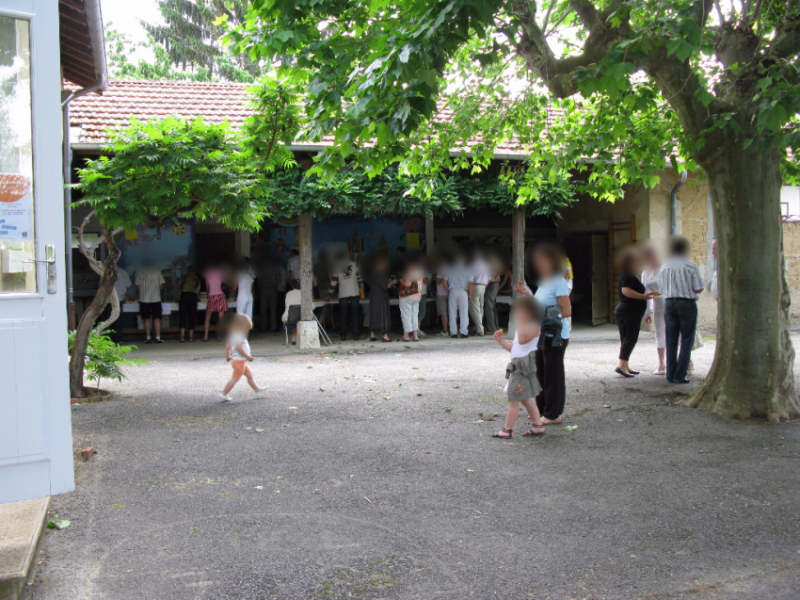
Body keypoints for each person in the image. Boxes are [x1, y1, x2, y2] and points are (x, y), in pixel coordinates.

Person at [515, 242, 571, 424]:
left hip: (556, 335)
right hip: (541, 334)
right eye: (537, 260)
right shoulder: (544, 282)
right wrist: (527, 295)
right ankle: (542, 410)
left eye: (542, 260)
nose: (538, 264)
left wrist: (545, 317)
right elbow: (541, 305)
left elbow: (567, 310)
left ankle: (554, 414)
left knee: (553, 373)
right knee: (541, 372)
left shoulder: (558, 281)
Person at [491, 296, 546, 439]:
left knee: (513, 399)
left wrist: (521, 323)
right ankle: (538, 425)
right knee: (525, 398)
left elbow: (522, 340)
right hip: (518, 365)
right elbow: (516, 348)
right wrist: (501, 341)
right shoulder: (523, 327)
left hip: (523, 368)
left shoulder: (534, 327)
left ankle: (507, 430)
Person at [658, 236, 705, 384]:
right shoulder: (691, 266)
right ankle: (680, 374)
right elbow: (699, 288)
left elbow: (661, 288)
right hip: (686, 303)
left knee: (671, 340)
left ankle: (670, 374)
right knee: (687, 340)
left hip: (669, 303)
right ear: (684, 249)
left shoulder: (664, 266)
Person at [614, 248, 654, 377]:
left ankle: (625, 365)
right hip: (629, 311)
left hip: (627, 311)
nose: (638, 263)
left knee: (626, 338)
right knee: (630, 338)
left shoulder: (629, 275)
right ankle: (622, 365)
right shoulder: (629, 275)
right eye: (636, 261)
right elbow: (626, 291)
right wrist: (644, 297)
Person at [219, 314, 266, 401]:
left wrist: (228, 356)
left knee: (249, 375)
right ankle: (224, 393)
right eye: (247, 328)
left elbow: (228, 346)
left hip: (238, 361)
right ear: (242, 327)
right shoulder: (240, 336)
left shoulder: (232, 335)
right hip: (240, 362)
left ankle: (257, 390)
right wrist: (248, 357)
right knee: (235, 379)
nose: (247, 331)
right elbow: (239, 348)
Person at [641, 244, 667, 374]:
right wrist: (647, 312)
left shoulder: (664, 267)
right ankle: (661, 363)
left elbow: (667, 290)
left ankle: (686, 361)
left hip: (669, 303)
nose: (649, 259)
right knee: (660, 333)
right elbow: (645, 290)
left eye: (650, 256)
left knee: (675, 332)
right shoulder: (646, 271)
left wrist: (652, 295)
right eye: (646, 257)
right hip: (657, 306)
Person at [332, 250, 363, 341]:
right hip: (354, 291)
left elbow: (333, 283)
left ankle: (343, 336)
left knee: (343, 314)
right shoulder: (354, 264)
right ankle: (356, 335)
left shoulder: (336, 267)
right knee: (355, 314)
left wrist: (329, 294)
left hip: (343, 293)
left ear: (338, 258)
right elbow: (359, 278)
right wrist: (361, 288)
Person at [135, 260, 165, 344]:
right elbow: (161, 286)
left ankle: (148, 338)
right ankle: (158, 337)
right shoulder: (157, 271)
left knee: (146, 319)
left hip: (144, 299)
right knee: (156, 319)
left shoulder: (140, 272)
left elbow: (137, 286)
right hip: (156, 299)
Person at [444, 253, 473, 338]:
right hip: (463, 291)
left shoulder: (450, 269)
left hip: (453, 291)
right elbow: (470, 283)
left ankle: (453, 332)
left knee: (452, 312)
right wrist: (470, 294)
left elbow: (444, 281)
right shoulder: (467, 270)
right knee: (464, 313)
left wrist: (448, 290)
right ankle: (464, 332)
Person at [368, 256, 396, 342]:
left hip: (373, 297)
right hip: (381, 298)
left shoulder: (372, 273)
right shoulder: (381, 274)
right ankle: (385, 336)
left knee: (374, 315)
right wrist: (392, 282)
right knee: (383, 315)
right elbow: (384, 286)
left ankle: (372, 335)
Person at [398, 261, 423, 342]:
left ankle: (406, 335)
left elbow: (408, 284)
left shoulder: (409, 272)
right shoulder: (420, 272)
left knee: (406, 315)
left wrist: (401, 281)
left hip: (407, 296)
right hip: (417, 296)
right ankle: (415, 335)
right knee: (414, 315)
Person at [255, 254, 281, 333]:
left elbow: (259, 280)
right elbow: (278, 279)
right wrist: (273, 285)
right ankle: (273, 327)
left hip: (263, 290)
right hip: (273, 290)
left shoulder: (261, 268)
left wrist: (260, 286)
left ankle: (263, 327)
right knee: (273, 309)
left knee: (263, 309)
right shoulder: (276, 268)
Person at [203, 262, 228, 342]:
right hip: (221, 295)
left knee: (207, 318)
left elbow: (207, 287)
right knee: (221, 318)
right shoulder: (221, 272)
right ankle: (219, 336)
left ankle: (206, 336)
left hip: (211, 296)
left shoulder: (207, 273)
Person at [468, 249, 491, 336]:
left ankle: (480, 329)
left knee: (474, 308)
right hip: (483, 286)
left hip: (475, 286)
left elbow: (470, 279)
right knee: (481, 308)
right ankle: (477, 327)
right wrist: (484, 286)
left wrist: (469, 292)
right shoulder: (486, 265)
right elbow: (489, 279)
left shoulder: (473, 265)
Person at [314, 250, 337, 330]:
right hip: (328, 289)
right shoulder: (327, 266)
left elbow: (315, 278)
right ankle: (318, 326)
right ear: (325, 258)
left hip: (320, 288)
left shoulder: (316, 266)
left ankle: (333, 325)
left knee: (327, 307)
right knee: (327, 308)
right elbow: (331, 278)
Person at [178, 265, 201, 343]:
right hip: (193, 297)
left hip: (184, 296)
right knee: (192, 316)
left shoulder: (184, 276)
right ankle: (190, 337)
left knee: (183, 316)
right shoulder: (197, 279)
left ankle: (182, 337)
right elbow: (197, 291)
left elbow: (179, 285)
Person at [484, 251, 503, 334]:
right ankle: (492, 327)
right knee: (490, 305)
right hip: (490, 283)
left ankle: (492, 328)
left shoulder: (493, 260)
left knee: (489, 304)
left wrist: (493, 276)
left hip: (492, 283)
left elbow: (500, 270)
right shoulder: (487, 261)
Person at [281, 279, 302, 345]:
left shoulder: (288, 294)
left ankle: (293, 338)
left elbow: (286, 305)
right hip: (302, 316)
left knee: (292, 319)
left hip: (291, 316)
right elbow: (312, 306)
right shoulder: (304, 293)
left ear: (292, 286)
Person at [235, 257, 255, 322]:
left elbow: (234, 287)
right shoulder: (250, 278)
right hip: (249, 296)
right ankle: (247, 331)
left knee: (240, 315)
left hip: (242, 295)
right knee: (248, 317)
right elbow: (252, 289)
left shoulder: (239, 275)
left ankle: (240, 331)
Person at [434, 256, 450, 336]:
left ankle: (445, 330)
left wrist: (434, 274)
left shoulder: (441, 268)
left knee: (443, 313)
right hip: (450, 293)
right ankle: (452, 328)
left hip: (441, 293)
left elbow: (438, 281)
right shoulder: (451, 268)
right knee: (451, 312)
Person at [417, 255, 431, 336]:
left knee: (415, 311)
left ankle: (416, 329)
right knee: (421, 311)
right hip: (421, 293)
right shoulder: (422, 270)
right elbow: (426, 282)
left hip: (415, 293)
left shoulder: (413, 268)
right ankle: (417, 329)